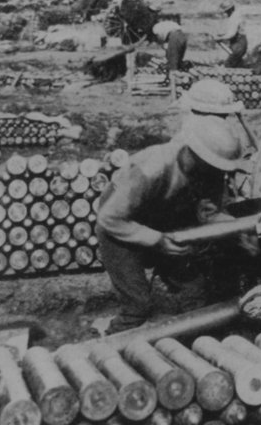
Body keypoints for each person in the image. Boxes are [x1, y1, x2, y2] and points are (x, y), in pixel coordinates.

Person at [95, 114, 249, 334]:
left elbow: (210, 213)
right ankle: (107, 346)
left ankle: (198, 346)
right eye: (213, 165)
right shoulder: (152, 168)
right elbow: (110, 218)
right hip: (120, 228)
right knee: (137, 306)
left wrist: (239, 229)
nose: (218, 173)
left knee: (195, 294)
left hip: (164, 224)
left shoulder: (211, 172)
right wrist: (157, 240)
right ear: (193, 153)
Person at [214, 1, 247, 68]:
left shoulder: (234, 18)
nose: (225, 14)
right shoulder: (236, 16)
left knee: (227, 66)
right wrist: (222, 35)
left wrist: (220, 38)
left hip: (239, 45)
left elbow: (231, 34)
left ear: (231, 10)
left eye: (226, 11)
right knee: (237, 66)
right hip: (238, 45)